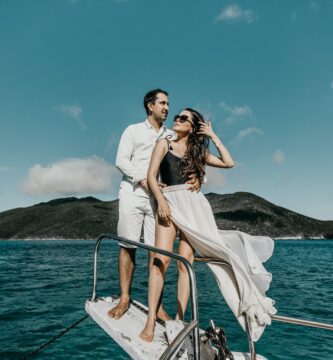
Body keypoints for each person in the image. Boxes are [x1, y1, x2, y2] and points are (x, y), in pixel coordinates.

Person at [139, 108, 276, 342]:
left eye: (183, 118)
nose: (177, 119)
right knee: (160, 261)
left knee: (186, 265)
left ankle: (179, 320)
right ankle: (151, 319)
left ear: (193, 127)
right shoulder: (164, 143)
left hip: (194, 208)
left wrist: (212, 135)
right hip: (169, 203)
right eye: (177, 116)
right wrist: (160, 201)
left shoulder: (198, 152)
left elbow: (229, 162)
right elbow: (151, 176)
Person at [108, 90, 200, 320]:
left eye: (168, 104)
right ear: (150, 106)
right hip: (133, 193)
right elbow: (120, 160)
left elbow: (187, 158)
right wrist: (143, 179)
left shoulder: (172, 135)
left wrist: (198, 178)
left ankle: (156, 307)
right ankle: (125, 298)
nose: (167, 108)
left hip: (161, 201)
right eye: (162, 103)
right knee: (128, 245)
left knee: (157, 253)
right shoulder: (133, 130)